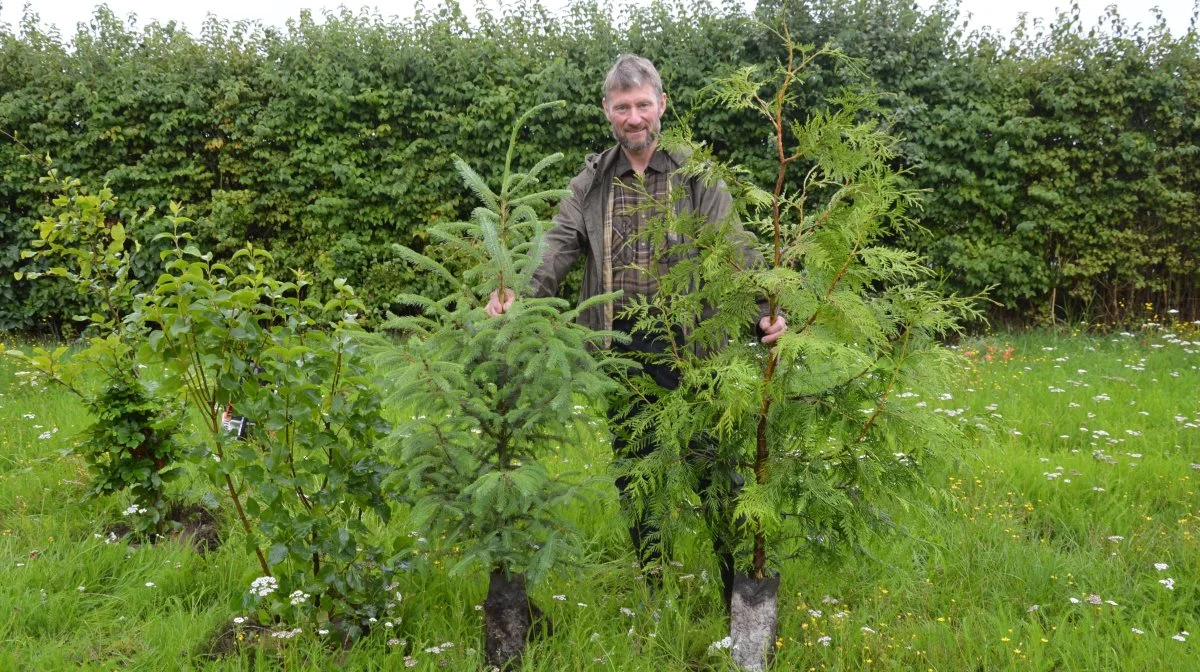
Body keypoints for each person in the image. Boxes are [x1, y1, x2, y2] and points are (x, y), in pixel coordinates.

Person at [486, 54, 786, 607]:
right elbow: (556, 245)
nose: (633, 117)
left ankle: (737, 589)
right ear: (607, 111)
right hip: (619, 349)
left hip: (692, 346)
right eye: (622, 107)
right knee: (635, 470)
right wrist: (520, 297)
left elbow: (732, 246)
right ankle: (653, 587)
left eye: (642, 105)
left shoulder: (696, 175)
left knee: (713, 468)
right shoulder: (592, 180)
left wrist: (764, 311)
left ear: (661, 105)